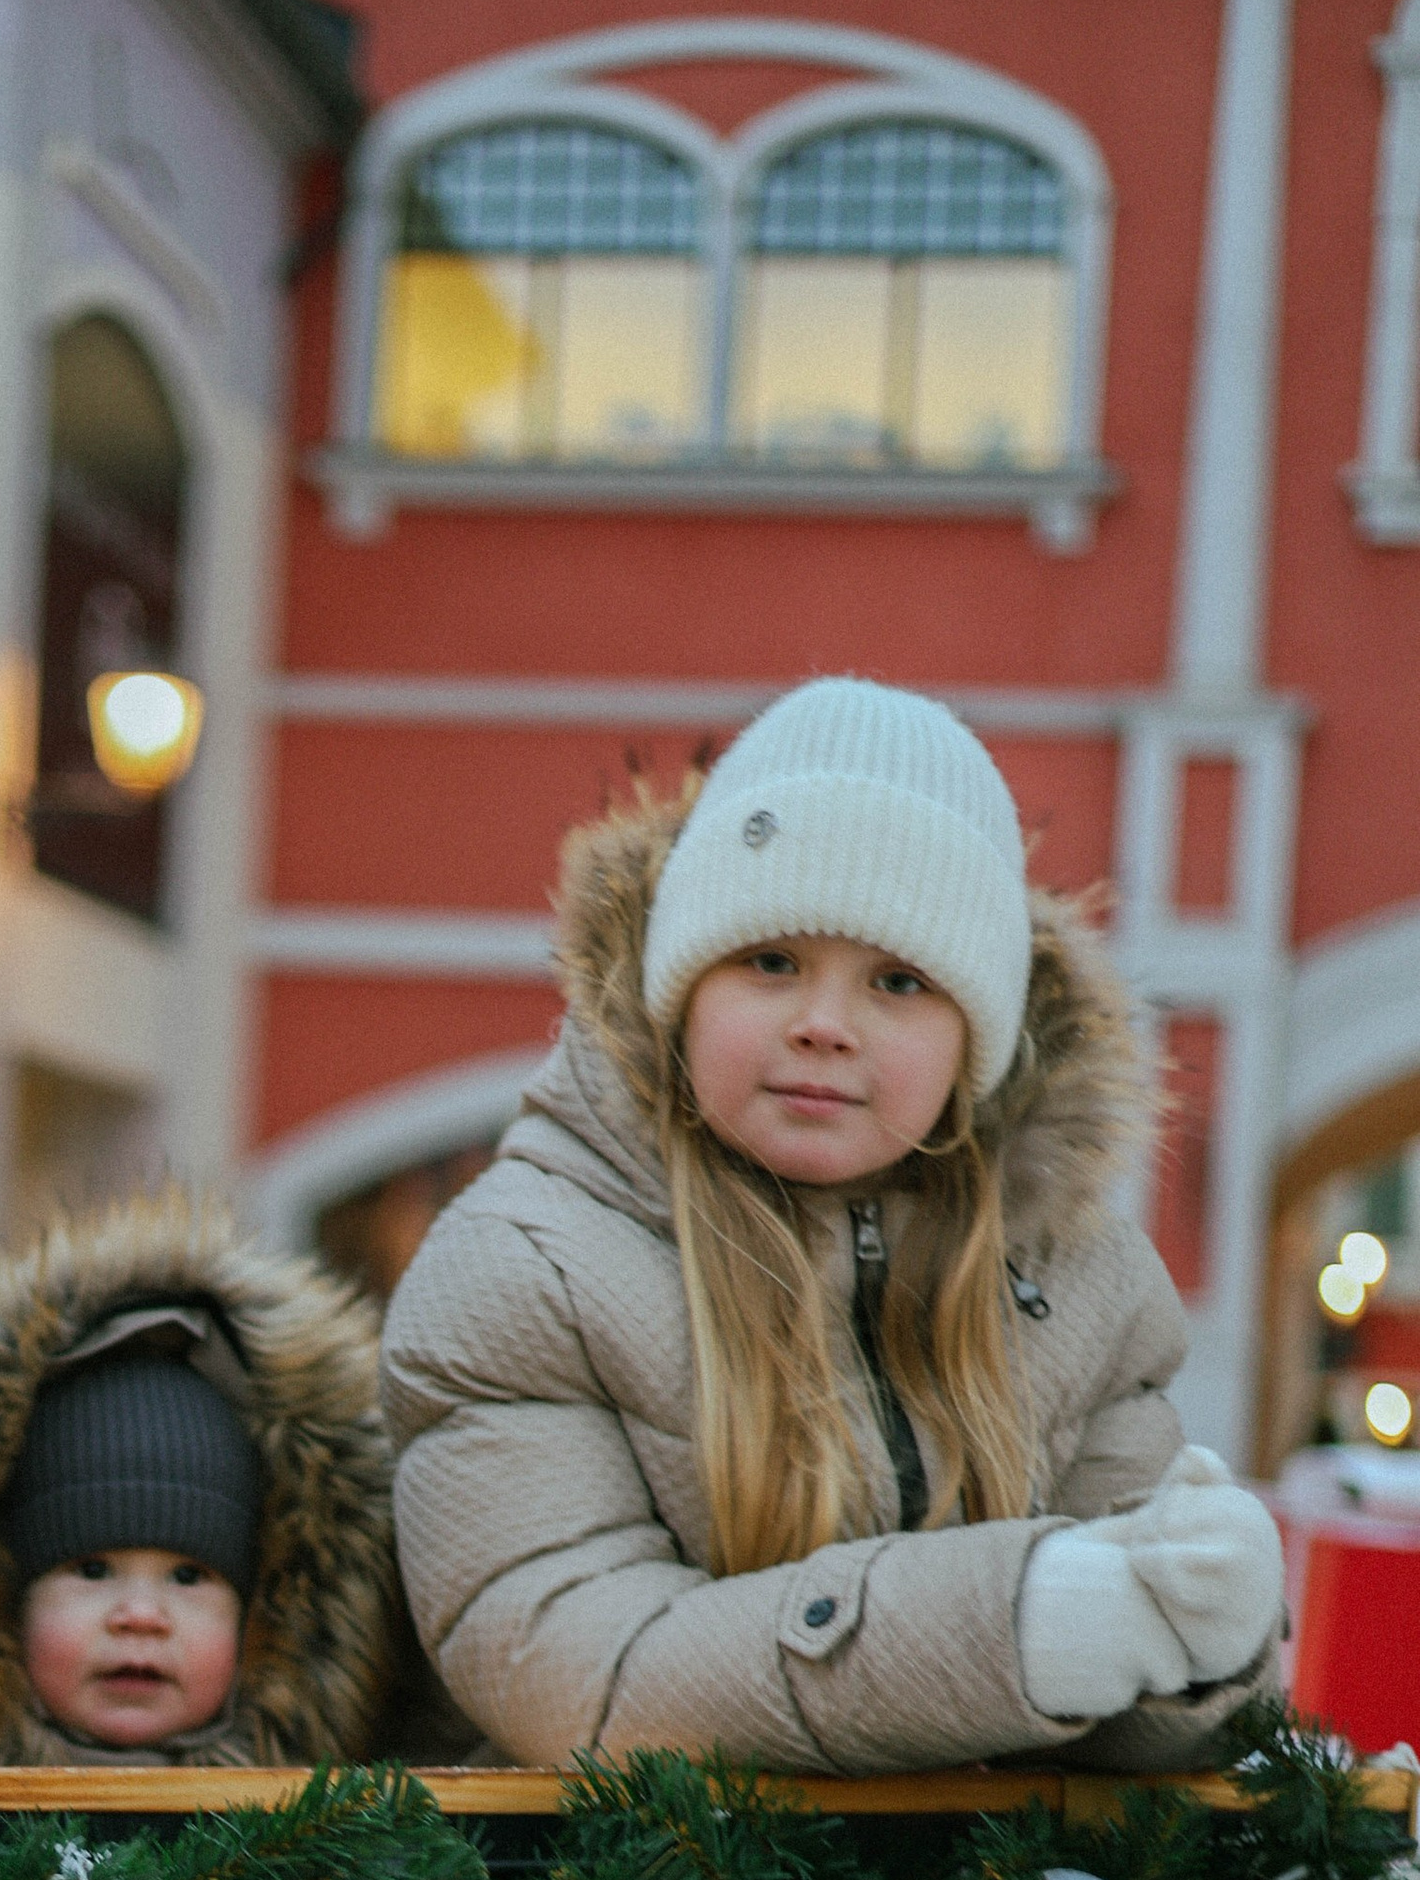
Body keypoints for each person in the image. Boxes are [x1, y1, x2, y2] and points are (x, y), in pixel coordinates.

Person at [382, 679, 1285, 1773]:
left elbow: (1149, 1746)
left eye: (898, 982)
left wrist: (1201, 1633)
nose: (822, 1026)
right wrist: (1015, 1625)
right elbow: (578, 1675)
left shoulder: (1081, 1279)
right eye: (770, 961)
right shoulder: (525, 1263)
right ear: (682, 985)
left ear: (975, 1040)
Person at [0, 1194, 401, 1765]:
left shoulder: (344, 1820)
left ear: (267, 1619)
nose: (141, 1616)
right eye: (92, 1570)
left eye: (189, 1576)